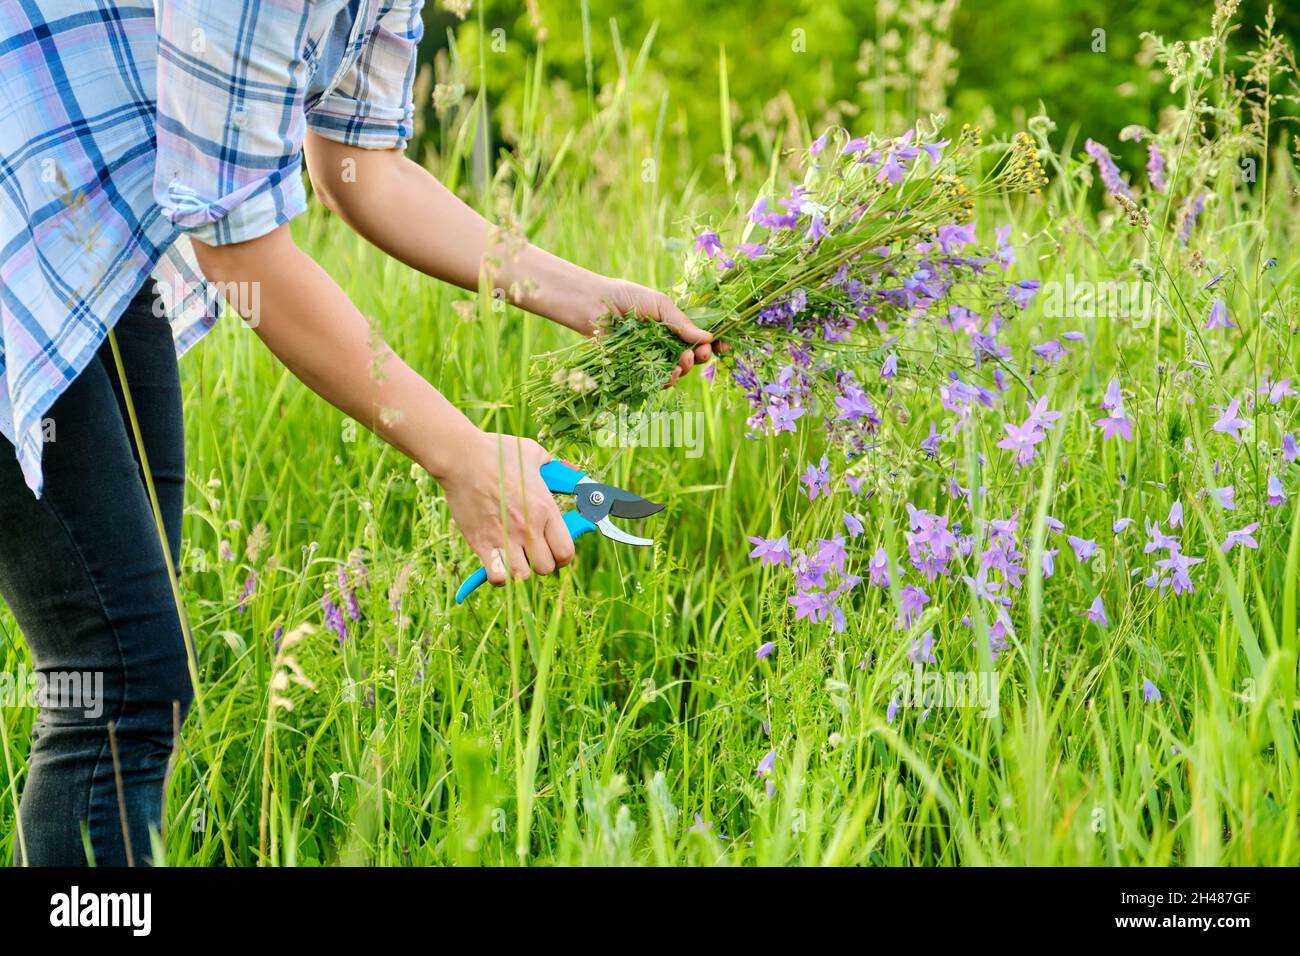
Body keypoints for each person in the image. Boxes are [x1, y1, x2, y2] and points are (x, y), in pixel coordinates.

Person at [0, 0, 715, 866]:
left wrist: (580, 292)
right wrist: (461, 455)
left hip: (90, 234)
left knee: (132, 673)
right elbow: (240, 252)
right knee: (123, 683)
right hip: (22, 223)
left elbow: (357, 167)